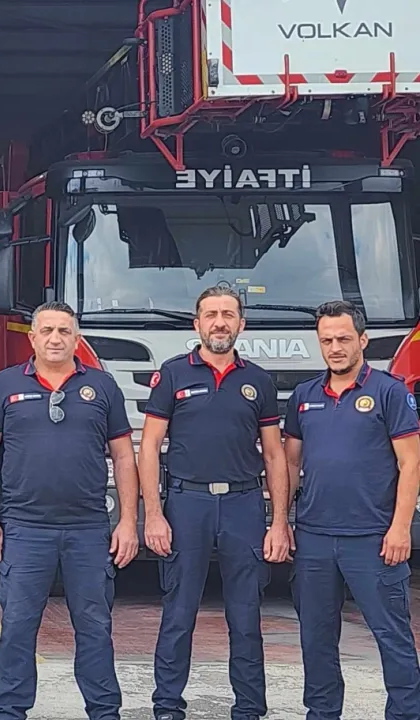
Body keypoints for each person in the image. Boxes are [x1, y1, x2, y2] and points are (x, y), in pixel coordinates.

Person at [0, 300, 139, 720]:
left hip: (88, 529)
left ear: (77, 339)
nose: (55, 338)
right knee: (17, 627)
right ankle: (9, 711)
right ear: (32, 338)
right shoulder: (5, 386)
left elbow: (123, 457)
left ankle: (105, 711)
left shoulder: (102, 387)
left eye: (64, 331)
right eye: (46, 330)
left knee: (95, 627)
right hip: (24, 529)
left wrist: (128, 521)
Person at [142, 285, 291, 720]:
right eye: (211, 314)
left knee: (245, 616)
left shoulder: (258, 381)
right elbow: (149, 447)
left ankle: (249, 708)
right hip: (186, 504)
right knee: (179, 612)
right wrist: (153, 514)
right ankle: (167, 705)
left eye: (228, 315)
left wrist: (279, 521)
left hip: (244, 504)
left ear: (241, 324)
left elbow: (274, 454)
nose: (219, 323)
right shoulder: (173, 374)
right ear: (197, 324)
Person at [284, 300, 420, 720]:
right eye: (327, 340)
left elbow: (411, 463)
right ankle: (322, 712)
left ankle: (405, 713)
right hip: (314, 538)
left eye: (344, 339)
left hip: (373, 539)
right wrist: (282, 522)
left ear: (362, 340)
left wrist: (401, 528)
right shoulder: (304, 396)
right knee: (316, 639)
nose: (335, 348)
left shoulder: (390, 392)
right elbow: (290, 464)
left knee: (392, 636)